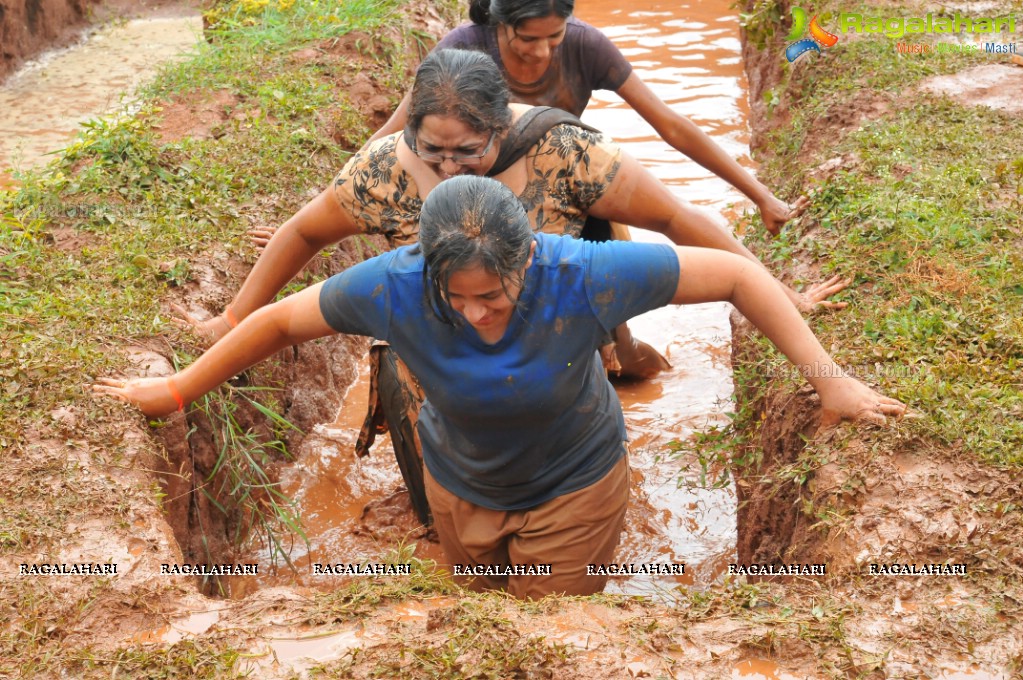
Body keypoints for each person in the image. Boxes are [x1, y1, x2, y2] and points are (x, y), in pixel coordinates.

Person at [95, 176, 905, 599]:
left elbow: (734, 274)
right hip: (457, 484)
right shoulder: (390, 284)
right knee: (479, 610)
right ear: (427, 274)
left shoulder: (586, 274)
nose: (480, 314)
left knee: (547, 626)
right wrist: (175, 393)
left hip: (573, 484)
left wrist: (829, 380)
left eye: (496, 294)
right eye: (460, 299)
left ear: (527, 262)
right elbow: (274, 324)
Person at [363, 0, 808, 235]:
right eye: (526, 38)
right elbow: (397, 132)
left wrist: (760, 196)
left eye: (553, 36)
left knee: (619, 329)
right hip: (463, 182)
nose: (541, 51)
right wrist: (353, 177)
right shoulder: (462, 47)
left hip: (556, 182)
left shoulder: (586, 46)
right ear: (501, 24)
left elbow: (671, 125)